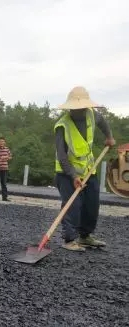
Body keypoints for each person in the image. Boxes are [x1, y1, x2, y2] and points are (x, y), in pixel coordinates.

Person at [54, 86, 115, 252]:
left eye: (81, 107)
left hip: (89, 170)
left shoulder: (92, 115)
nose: (79, 110)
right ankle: (69, 239)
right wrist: (73, 175)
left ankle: (85, 236)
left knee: (91, 205)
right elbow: (62, 156)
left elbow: (103, 122)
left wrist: (109, 137)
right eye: (75, 108)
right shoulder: (62, 126)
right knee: (73, 206)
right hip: (66, 173)